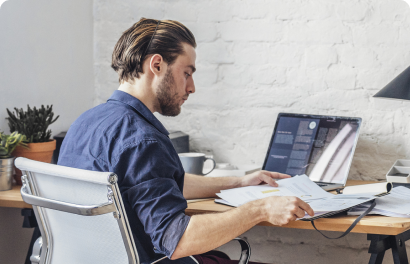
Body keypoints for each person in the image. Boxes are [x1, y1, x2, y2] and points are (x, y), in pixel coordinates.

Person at [58, 18, 314, 264]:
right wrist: (261, 209)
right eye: (187, 73)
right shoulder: (143, 140)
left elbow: (158, 182)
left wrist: (240, 182)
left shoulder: (85, 123)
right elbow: (177, 240)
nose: (191, 87)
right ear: (157, 65)